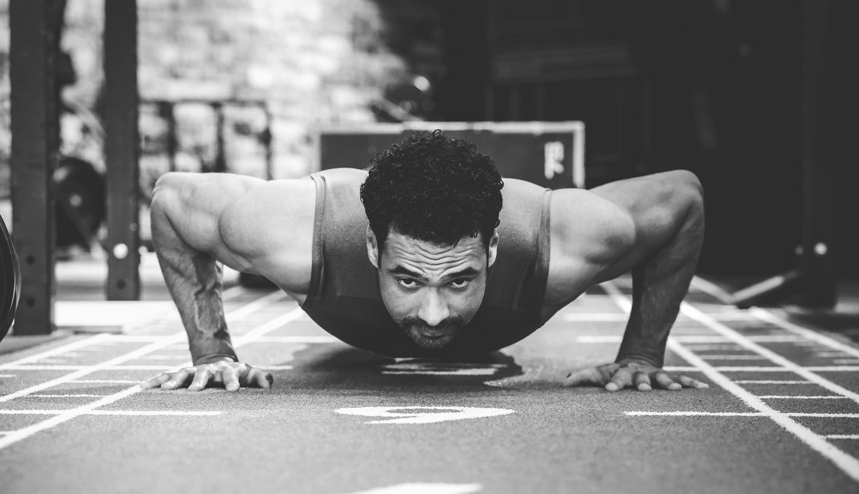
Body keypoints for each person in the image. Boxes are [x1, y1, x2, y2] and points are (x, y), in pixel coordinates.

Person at [143, 130, 708, 393]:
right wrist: (212, 351)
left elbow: (683, 198)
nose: (434, 314)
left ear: (492, 249)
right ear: (372, 248)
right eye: (408, 279)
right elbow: (170, 199)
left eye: (460, 280)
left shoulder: (561, 241)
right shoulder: (291, 232)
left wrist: (641, 354)